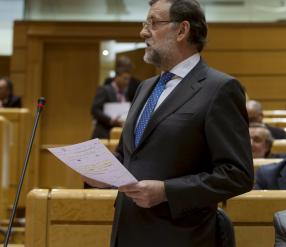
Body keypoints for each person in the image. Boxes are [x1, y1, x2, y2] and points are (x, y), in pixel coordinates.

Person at [82, 0, 254, 246]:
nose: (143, 32)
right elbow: (129, 155)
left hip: (179, 236)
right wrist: (103, 174)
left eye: (152, 23)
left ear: (182, 30)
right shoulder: (145, 87)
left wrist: (167, 191)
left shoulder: (220, 89)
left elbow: (237, 175)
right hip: (128, 232)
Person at [91, 69, 131, 139]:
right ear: (117, 77)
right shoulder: (104, 90)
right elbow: (95, 110)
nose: (127, 82)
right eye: (125, 79)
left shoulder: (125, 93)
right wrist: (111, 120)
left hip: (118, 134)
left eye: (128, 79)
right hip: (103, 133)